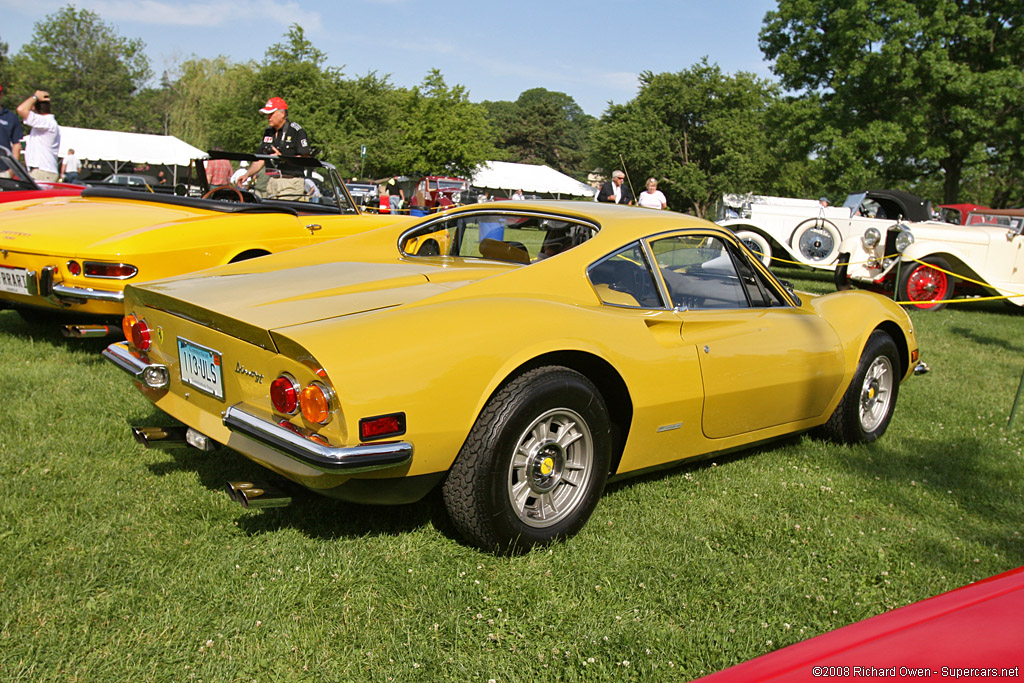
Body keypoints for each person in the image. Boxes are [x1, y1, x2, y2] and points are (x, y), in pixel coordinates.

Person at [235, 97, 310, 199]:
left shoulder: (296, 130)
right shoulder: (268, 132)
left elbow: (306, 158)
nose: (268, 117)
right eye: (267, 114)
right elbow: (261, 159)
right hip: (271, 181)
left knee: (282, 213)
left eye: (271, 114)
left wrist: (283, 158)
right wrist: (247, 175)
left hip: (291, 182)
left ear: (282, 113)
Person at [16, 89, 60, 182]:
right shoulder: (46, 123)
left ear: (33, 108)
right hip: (42, 170)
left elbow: (21, 109)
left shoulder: (46, 122)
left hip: (43, 171)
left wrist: (35, 97)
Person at [0, 82, 23, 162]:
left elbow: (17, 144)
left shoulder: (11, 117)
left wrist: (12, 170)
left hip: (3, 168)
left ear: (1, 95)